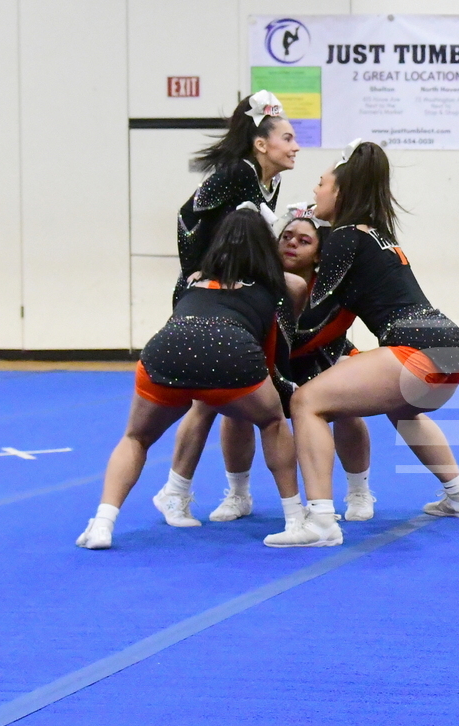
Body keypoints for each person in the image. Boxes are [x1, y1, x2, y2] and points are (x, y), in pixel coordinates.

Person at [263, 140, 459, 549]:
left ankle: (321, 521)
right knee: (403, 411)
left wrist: (273, 347)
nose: (315, 191)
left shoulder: (344, 238)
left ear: (341, 191)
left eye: (321, 183)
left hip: (416, 349)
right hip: (451, 346)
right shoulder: (376, 234)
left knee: (307, 403)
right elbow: (341, 318)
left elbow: (320, 320)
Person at [78, 210, 307, 550]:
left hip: (167, 349)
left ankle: (102, 524)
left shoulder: (192, 278)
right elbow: (278, 342)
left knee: (136, 438)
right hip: (231, 351)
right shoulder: (285, 286)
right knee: (272, 423)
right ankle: (295, 518)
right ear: (267, 246)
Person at [160, 205, 376, 526]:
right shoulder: (255, 279)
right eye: (286, 236)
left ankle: (358, 491)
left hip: (318, 356)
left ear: (320, 254)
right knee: (228, 405)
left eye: (304, 241)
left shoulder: (329, 288)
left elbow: (331, 330)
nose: (292, 243)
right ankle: (238, 493)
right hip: (270, 359)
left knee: (345, 403)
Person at [151, 90, 300, 528]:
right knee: (207, 398)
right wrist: (195, 271)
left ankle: (217, 492)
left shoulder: (270, 181)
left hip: (240, 293)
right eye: (288, 138)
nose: (296, 146)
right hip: (209, 291)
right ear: (261, 144)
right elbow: (187, 217)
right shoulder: (237, 172)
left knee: (228, 395)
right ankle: (177, 491)